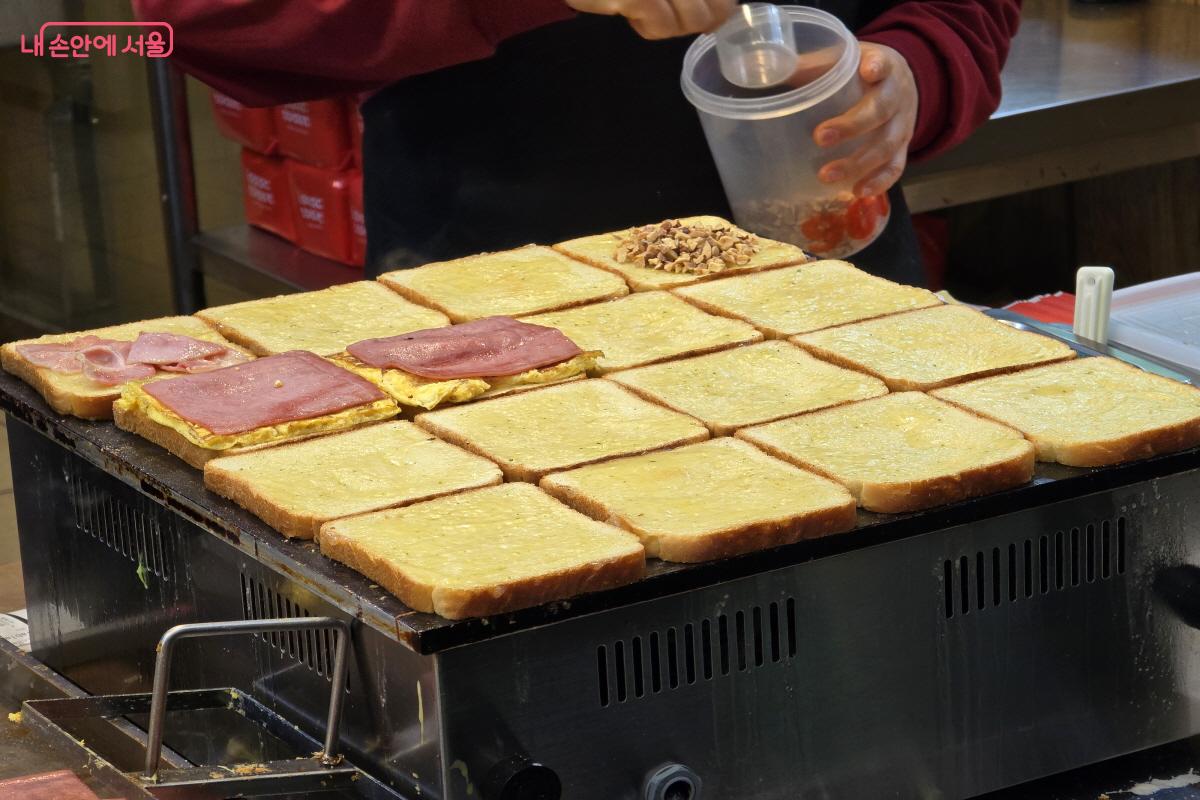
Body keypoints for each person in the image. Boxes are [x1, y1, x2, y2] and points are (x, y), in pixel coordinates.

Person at [135, 0, 1021, 285]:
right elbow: (196, 19)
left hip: (838, 299)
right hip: (504, 328)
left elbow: (963, 11)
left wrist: (915, 70)